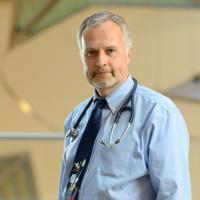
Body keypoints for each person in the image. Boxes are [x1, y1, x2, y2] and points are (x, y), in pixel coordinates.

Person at [59, 11, 191, 200]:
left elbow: (174, 195)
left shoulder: (158, 113)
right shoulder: (76, 118)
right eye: (91, 52)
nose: (100, 61)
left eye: (110, 50)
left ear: (128, 54)